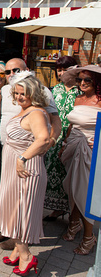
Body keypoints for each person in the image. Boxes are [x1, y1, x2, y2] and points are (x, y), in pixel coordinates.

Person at [0, 73, 51, 276]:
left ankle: (26, 256)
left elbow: (43, 139)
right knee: (13, 210)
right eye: (16, 93)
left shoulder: (35, 113)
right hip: (14, 168)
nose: (19, 97)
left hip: (26, 169)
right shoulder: (25, 110)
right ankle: (18, 250)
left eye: (23, 94)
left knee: (19, 212)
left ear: (33, 93)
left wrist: (23, 158)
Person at [59, 65, 101, 255]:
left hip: (90, 152)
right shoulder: (78, 99)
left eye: (87, 80)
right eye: (80, 80)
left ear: (97, 83)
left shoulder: (100, 101)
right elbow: (72, 124)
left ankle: (89, 236)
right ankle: (74, 224)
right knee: (73, 188)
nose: (82, 83)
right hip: (73, 146)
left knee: (83, 192)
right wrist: (65, 143)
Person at [44, 56, 79, 220]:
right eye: (59, 69)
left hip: (72, 137)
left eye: (66, 69)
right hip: (54, 136)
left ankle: (72, 212)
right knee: (52, 171)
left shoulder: (80, 91)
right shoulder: (54, 90)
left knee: (68, 175)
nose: (62, 72)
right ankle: (56, 209)